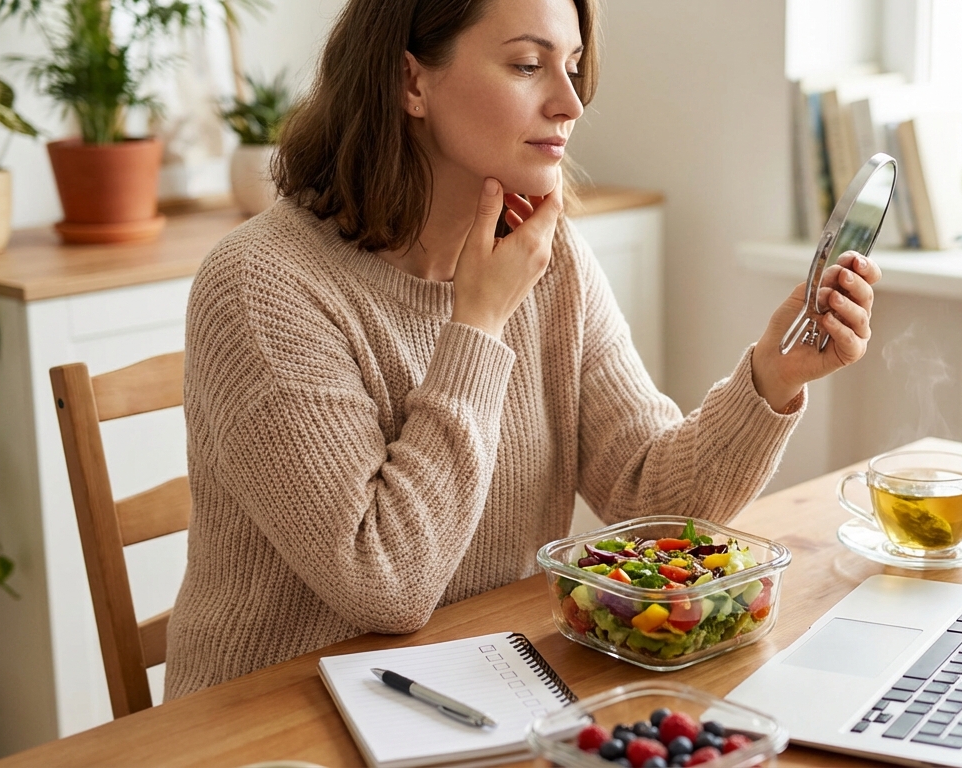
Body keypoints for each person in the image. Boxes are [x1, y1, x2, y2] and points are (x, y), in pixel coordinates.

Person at [165, 0, 881, 699]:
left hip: (487, 684)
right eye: (528, 65)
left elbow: (653, 499)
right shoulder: (262, 284)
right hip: (275, 718)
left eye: (572, 65)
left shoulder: (549, 255)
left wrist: (770, 377)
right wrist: (478, 322)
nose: (570, 103)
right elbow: (383, 581)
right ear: (412, 82)